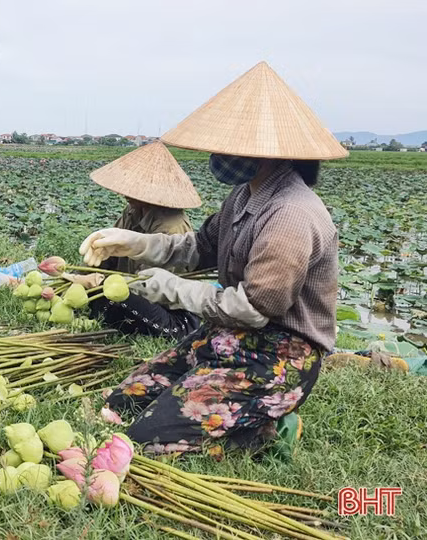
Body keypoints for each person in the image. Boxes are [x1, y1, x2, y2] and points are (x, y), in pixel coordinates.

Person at [80, 61, 347, 458]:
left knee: (148, 436)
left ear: (262, 150)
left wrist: (173, 290)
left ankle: (265, 424)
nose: (219, 153)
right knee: (121, 402)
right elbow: (196, 248)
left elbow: (254, 309)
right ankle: (242, 409)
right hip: (228, 335)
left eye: (228, 145)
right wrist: (133, 243)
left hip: (280, 355)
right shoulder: (243, 196)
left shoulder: (291, 214)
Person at [85, 141, 204, 340]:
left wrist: (99, 283)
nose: (124, 193)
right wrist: (82, 275)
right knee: (95, 292)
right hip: (129, 290)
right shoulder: (133, 211)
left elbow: (150, 285)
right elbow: (110, 255)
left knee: (110, 295)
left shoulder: (172, 226)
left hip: (170, 312)